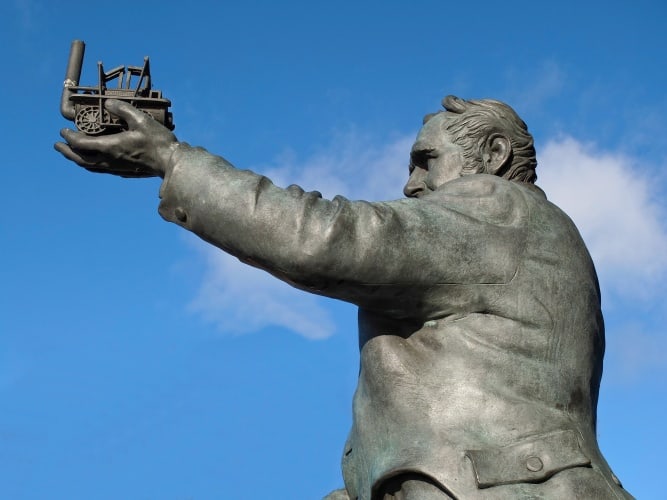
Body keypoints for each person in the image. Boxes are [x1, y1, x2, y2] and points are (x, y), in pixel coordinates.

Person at [55, 96, 633, 499]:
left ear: (495, 155)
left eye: (424, 160)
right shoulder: (532, 242)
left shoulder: (501, 211)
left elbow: (323, 238)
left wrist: (173, 160)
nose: (410, 183)